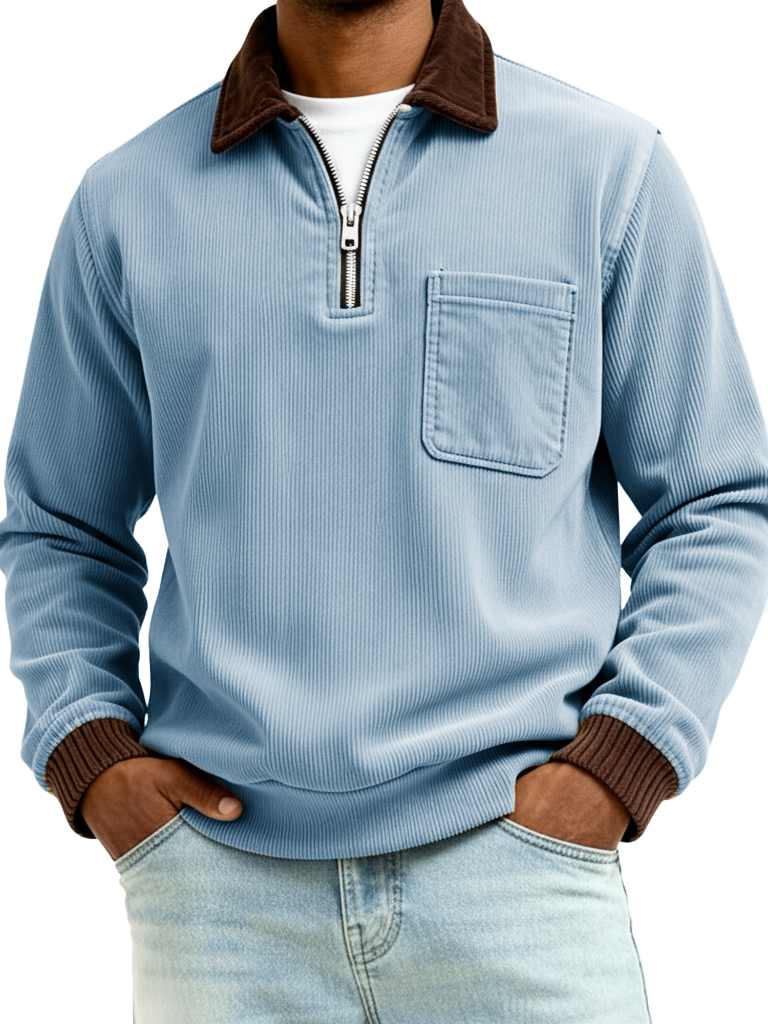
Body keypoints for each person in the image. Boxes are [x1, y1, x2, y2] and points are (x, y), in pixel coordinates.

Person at [1, 0, 767, 1020]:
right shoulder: (127, 201)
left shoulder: (606, 170)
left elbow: (717, 499)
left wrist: (622, 761)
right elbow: (60, 527)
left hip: (520, 878)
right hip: (221, 904)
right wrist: (92, 754)